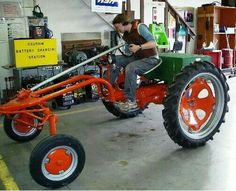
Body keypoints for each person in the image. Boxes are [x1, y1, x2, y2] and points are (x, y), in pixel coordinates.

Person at [111, 13, 160, 111]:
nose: (117, 29)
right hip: (138, 58)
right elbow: (129, 49)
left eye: (117, 26)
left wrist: (139, 47)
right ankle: (110, 89)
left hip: (151, 59)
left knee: (131, 67)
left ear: (122, 23)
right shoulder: (126, 34)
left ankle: (131, 101)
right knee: (116, 60)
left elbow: (154, 43)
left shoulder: (139, 27)